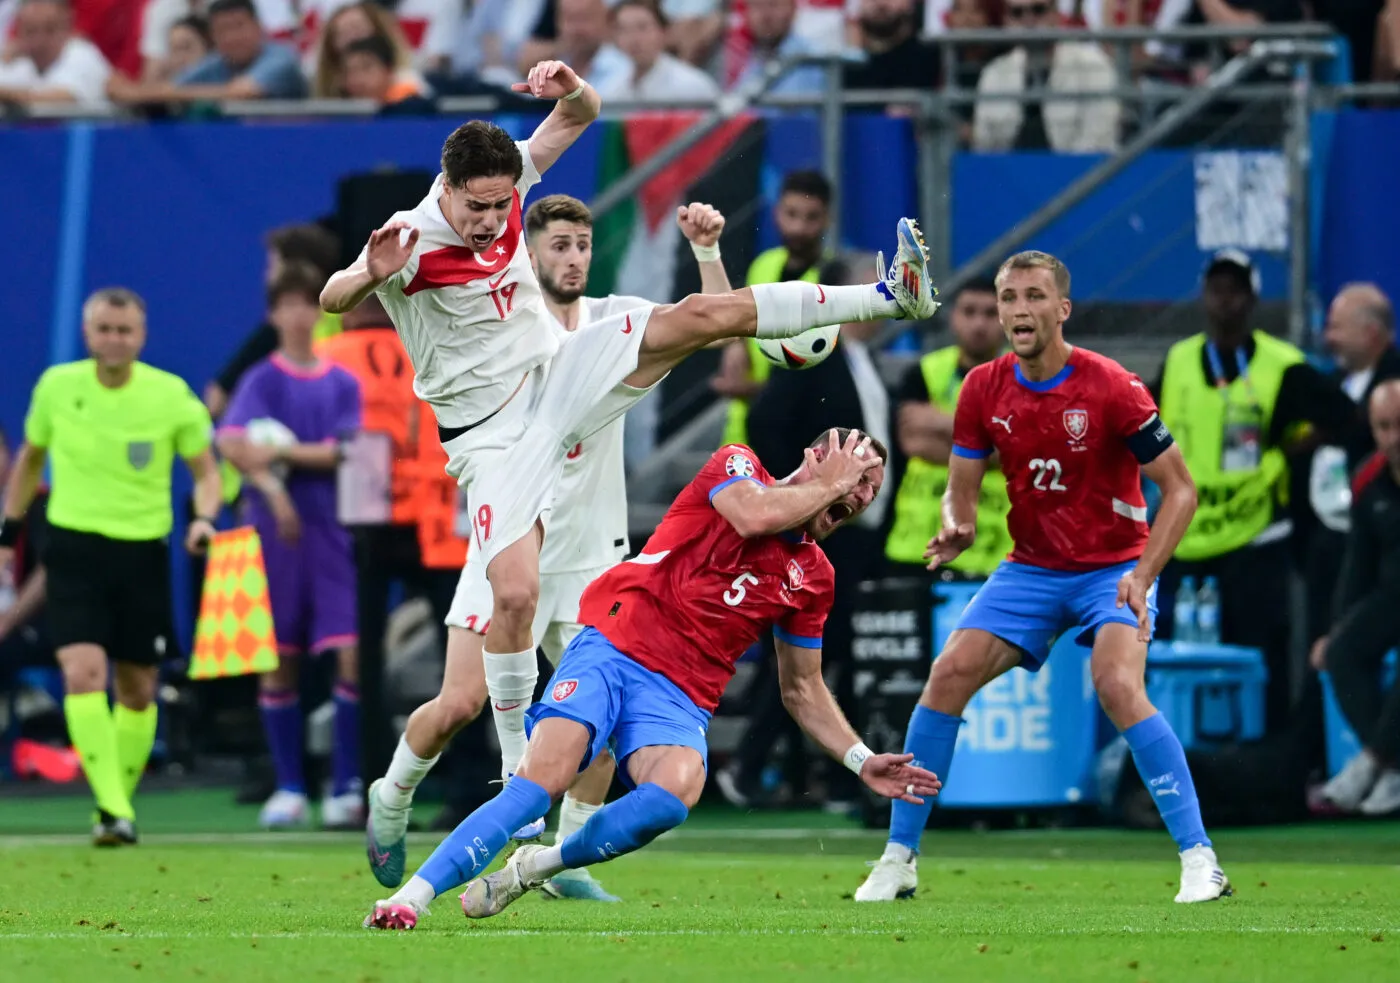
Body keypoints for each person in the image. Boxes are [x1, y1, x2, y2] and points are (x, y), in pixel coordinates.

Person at [318, 58, 938, 833]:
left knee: (697, 318)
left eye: (501, 205)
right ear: (448, 190)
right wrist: (365, 275)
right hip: (489, 435)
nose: (489, 222)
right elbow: (332, 296)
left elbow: (579, 117)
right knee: (508, 600)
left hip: (558, 378)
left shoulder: (511, 188)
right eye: (477, 208)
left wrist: (570, 86)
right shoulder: (412, 238)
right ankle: (503, 779)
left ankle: (889, 295)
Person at [362, 428, 942, 929]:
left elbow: (802, 688)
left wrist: (862, 759)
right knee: (545, 779)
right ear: (818, 460)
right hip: (614, 646)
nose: (862, 494)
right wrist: (830, 484)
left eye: (870, 487)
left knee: (675, 794)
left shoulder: (814, 577)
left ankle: (538, 867)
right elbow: (754, 515)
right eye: (857, 474)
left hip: (680, 698)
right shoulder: (738, 466)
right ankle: (410, 897)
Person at [363, 192, 732, 900]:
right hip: (508, 547)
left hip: (595, 556)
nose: (572, 257)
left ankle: (570, 860)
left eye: (582, 245)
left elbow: (713, 325)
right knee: (458, 702)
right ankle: (393, 791)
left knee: (602, 717)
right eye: (558, 245)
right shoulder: (505, 329)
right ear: (529, 252)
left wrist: (708, 253)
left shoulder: (613, 320)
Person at [855, 251, 1232, 905]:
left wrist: (1143, 575)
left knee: (1116, 682)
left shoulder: (1113, 386)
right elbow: (961, 490)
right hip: (1032, 566)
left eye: (1033, 296)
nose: (1018, 310)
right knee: (947, 675)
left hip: (1113, 565)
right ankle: (898, 857)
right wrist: (958, 525)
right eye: (1007, 297)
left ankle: (1201, 857)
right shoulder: (981, 388)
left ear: (1062, 309)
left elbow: (1181, 491)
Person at [0, 287, 222, 845]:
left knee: (138, 689)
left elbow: (208, 472)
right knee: (81, 673)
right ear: (88, 333)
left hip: (142, 552)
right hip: (72, 548)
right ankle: (114, 806)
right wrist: (9, 530)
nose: (114, 340)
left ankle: (112, 809)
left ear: (141, 336)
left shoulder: (170, 396)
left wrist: (202, 519)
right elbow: (29, 459)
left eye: (124, 331)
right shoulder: (58, 387)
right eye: (104, 329)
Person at [217, 263, 364, 829]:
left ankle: (346, 786)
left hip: (331, 531)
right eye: (290, 305)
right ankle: (289, 787)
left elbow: (345, 453)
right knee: (278, 660)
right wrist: (275, 486)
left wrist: (282, 450)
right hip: (276, 534)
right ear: (275, 315)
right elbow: (231, 443)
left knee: (349, 654)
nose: (301, 316)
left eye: (310, 305)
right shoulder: (261, 378)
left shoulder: (342, 382)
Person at [1310, 379, 1400, 816]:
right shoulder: (1368, 479)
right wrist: (1334, 630)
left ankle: (1373, 764)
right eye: (1384, 427)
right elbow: (1356, 567)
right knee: (1341, 652)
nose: (1393, 438)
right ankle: (1390, 765)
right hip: (1392, 595)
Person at [884, 276, 1009, 578]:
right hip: (918, 544)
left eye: (990, 314)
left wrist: (942, 422)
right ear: (953, 317)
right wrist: (989, 444)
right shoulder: (924, 372)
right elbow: (912, 441)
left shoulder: (1022, 377)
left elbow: (1016, 451)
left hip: (992, 550)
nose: (979, 324)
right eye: (969, 312)